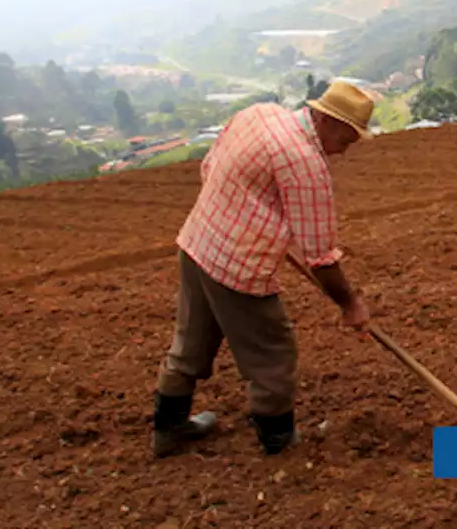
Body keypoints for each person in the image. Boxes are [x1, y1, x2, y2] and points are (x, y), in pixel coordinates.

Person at [151, 80, 376, 458]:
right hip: (238, 267)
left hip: (197, 242)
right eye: (346, 139)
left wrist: (254, 215)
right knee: (273, 353)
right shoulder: (305, 162)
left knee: (190, 344)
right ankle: (278, 440)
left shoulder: (260, 115)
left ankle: (168, 428)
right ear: (325, 120)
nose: (343, 151)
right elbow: (319, 254)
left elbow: (210, 168)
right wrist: (350, 304)